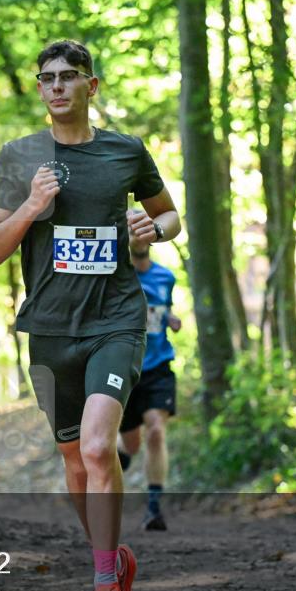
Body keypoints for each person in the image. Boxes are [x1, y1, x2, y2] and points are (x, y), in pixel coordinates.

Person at [0, 40, 181, 591]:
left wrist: (156, 227)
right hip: (48, 329)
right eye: (47, 79)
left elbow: (170, 217)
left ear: (91, 86)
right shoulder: (19, 158)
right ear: (39, 89)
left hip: (117, 320)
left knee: (99, 449)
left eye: (70, 77)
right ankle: (112, 560)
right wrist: (34, 205)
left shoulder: (125, 151)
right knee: (75, 462)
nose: (58, 86)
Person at [117, 225, 181, 532]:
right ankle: (118, 459)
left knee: (156, 430)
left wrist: (170, 318)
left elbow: (163, 311)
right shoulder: (115, 276)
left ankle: (154, 508)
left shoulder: (166, 277)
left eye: (142, 231)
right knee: (130, 446)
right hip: (124, 370)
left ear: (151, 237)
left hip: (158, 367)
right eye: (131, 232)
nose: (138, 238)